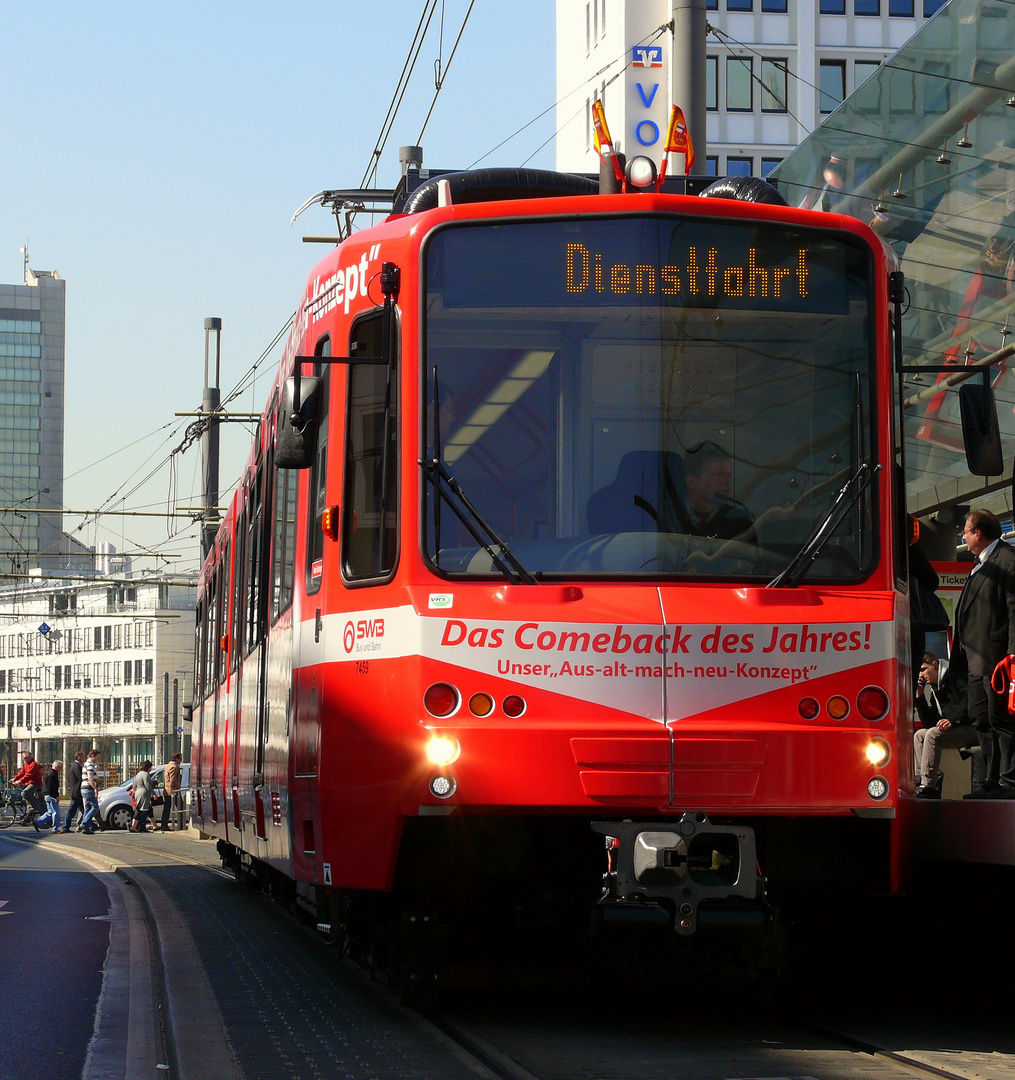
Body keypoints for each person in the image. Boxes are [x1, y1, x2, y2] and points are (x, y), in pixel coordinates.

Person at [952, 510, 1015, 798]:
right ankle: (990, 781)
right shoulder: (979, 563)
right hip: (974, 659)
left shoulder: (1007, 560)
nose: (963, 536)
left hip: (997, 658)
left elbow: (1014, 611)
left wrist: (1012, 656)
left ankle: (1008, 782)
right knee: (982, 719)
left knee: (1001, 720)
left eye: (966, 530)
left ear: (978, 533)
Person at [914, 654, 980, 798]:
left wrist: (953, 719)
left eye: (924, 669)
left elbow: (970, 700)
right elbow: (930, 724)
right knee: (920, 735)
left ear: (936, 665)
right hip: (958, 728)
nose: (921, 675)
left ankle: (928, 785)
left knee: (932, 734)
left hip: (974, 728)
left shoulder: (955, 678)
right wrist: (920, 698)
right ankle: (921, 780)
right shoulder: (935, 690)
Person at [678, 442, 755, 542]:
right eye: (718, 475)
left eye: (728, 476)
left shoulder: (740, 523)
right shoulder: (667, 515)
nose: (726, 482)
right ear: (692, 482)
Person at [12, 751, 44, 822]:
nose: (24, 760)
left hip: (35, 783)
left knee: (24, 793)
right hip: (29, 783)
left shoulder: (33, 764)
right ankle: (28, 815)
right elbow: (22, 773)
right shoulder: (27, 764)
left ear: (30, 757)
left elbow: (29, 775)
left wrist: (20, 781)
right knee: (25, 798)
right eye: (23, 758)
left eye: (25, 758)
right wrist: (15, 778)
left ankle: (35, 806)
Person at [33, 761, 63, 832]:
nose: (61, 769)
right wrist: (56, 796)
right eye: (60, 767)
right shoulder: (53, 774)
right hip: (52, 795)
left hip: (47, 795)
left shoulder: (48, 772)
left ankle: (38, 822)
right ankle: (55, 828)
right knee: (56, 812)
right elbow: (53, 786)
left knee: (50, 812)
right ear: (56, 766)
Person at [61, 751, 86, 833]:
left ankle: (89, 825)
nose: (84, 758)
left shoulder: (76, 766)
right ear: (79, 757)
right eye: (83, 757)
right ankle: (65, 827)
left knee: (84, 810)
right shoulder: (76, 766)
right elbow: (80, 778)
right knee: (72, 811)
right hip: (76, 792)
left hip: (77, 792)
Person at [79, 749, 101, 834]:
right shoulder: (90, 765)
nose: (97, 759)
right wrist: (95, 788)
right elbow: (90, 778)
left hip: (84, 788)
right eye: (97, 757)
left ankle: (86, 827)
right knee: (95, 807)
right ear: (93, 756)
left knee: (87, 808)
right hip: (88, 788)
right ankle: (84, 824)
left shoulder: (87, 764)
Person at [160, 753, 183, 832]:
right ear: (176, 759)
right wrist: (178, 787)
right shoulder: (174, 767)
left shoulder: (168, 765)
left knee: (167, 808)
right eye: (180, 759)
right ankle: (181, 824)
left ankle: (164, 824)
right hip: (172, 791)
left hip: (167, 790)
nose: (181, 761)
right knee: (181, 807)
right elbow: (172, 780)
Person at [130, 761, 154, 833]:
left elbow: (135, 783)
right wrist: (153, 793)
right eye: (150, 767)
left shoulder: (139, 773)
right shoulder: (145, 774)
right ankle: (140, 826)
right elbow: (147, 785)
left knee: (139, 809)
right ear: (148, 768)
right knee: (143, 810)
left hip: (138, 792)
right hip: (144, 793)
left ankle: (135, 826)